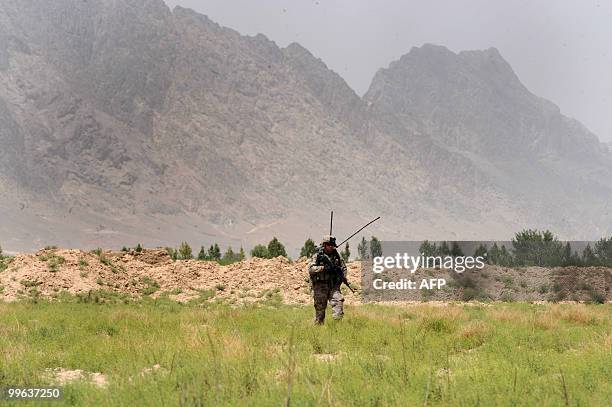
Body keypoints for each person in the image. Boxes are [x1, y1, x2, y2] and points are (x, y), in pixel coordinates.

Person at [308, 235, 347, 324]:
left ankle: (337, 328)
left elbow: (344, 268)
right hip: (320, 285)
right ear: (324, 245)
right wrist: (323, 268)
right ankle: (319, 329)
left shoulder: (336, 256)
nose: (331, 247)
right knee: (320, 309)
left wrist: (340, 279)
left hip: (333, 285)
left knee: (338, 303)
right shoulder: (317, 256)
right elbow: (311, 269)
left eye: (332, 245)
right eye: (329, 245)